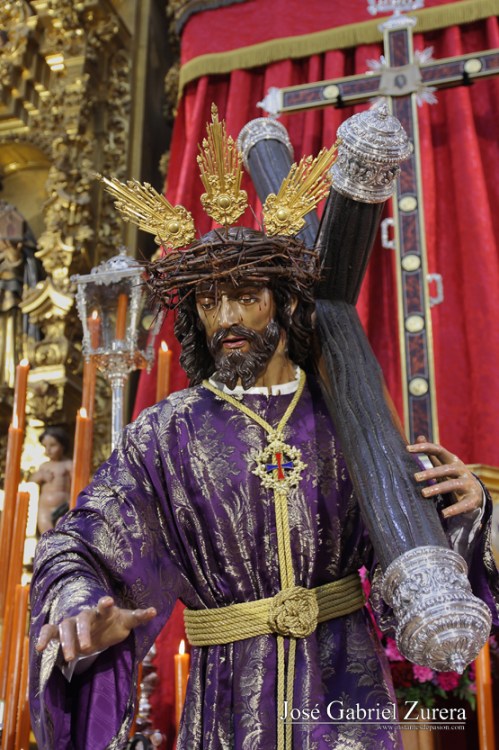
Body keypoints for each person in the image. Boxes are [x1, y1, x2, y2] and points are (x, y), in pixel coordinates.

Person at [30, 112, 499, 750]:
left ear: (284, 300)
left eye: (246, 296)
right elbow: (79, 542)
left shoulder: (346, 415)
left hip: (345, 689)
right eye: (208, 301)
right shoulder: (166, 434)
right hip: (228, 701)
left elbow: (415, 552)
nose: (226, 317)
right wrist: (78, 602)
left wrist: (470, 511)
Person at [31, 426, 73, 534]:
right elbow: (31, 481)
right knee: (46, 533)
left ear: (63, 445)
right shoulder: (44, 466)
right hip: (44, 508)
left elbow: (77, 482)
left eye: (53, 445)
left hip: (63, 507)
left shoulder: (68, 465)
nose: (48, 450)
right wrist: (40, 476)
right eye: (45, 446)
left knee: (60, 532)